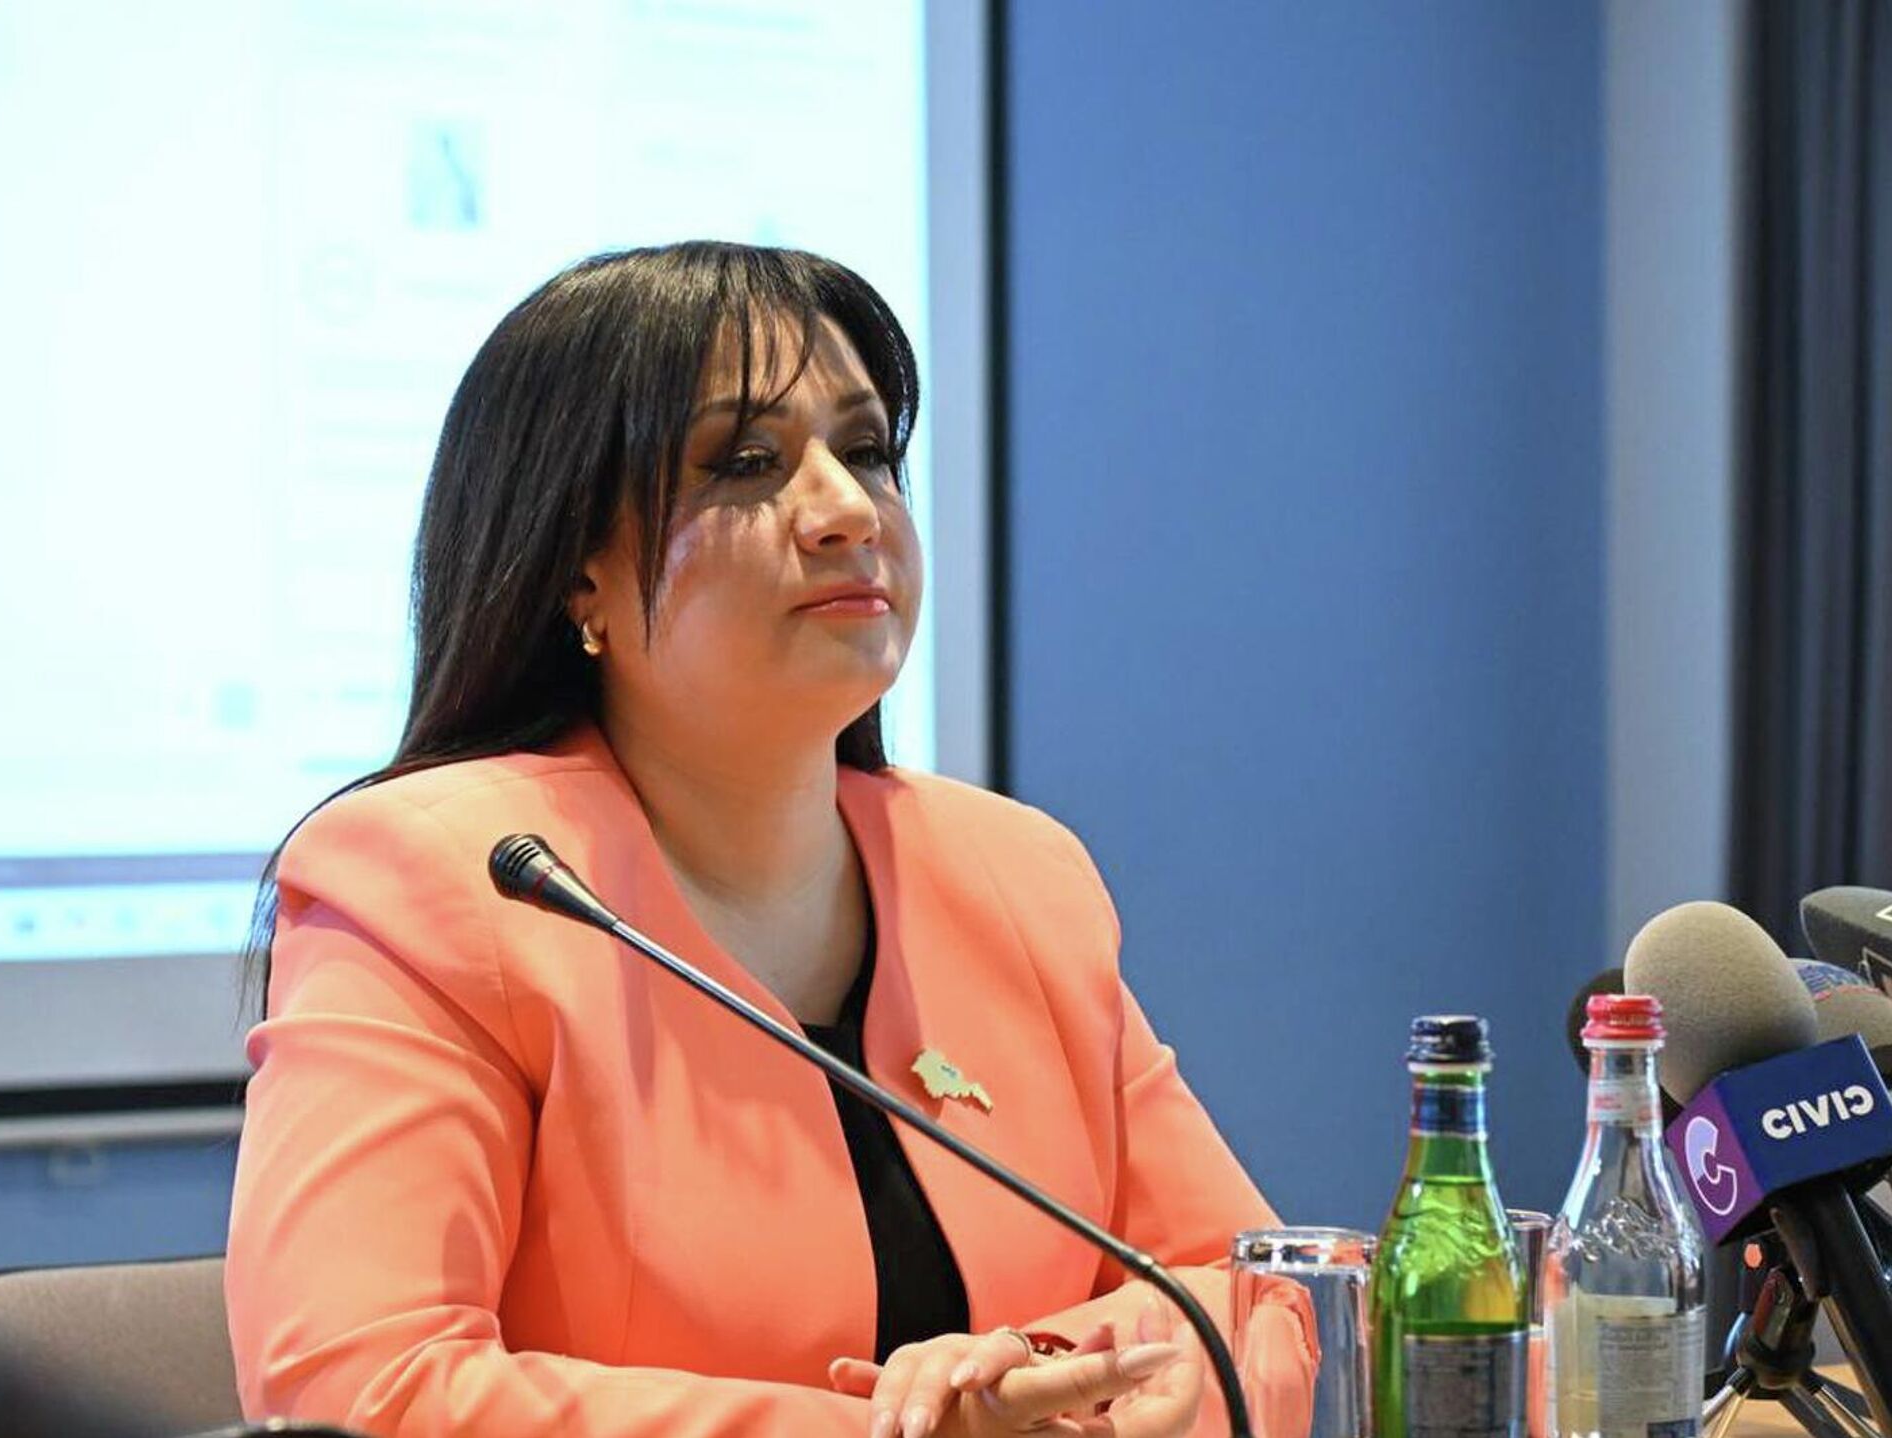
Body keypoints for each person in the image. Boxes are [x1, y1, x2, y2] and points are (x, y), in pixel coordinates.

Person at [225, 241, 1317, 1438]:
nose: (848, 508)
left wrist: (1063, 1377)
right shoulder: (434, 885)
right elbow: (359, 1391)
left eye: (868, 450)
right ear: (577, 575)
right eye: (747, 463)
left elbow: (1261, 1293)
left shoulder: (1019, 877)